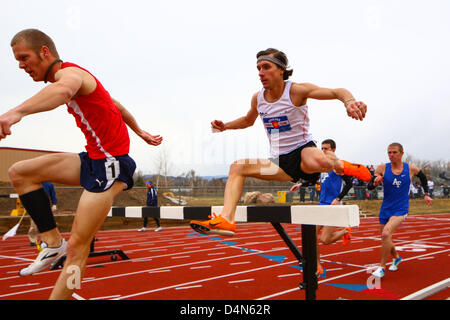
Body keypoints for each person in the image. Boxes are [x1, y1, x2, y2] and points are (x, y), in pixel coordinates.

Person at [0, 29, 162, 299]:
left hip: (111, 166)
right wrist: (140, 131)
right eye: (17, 60)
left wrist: (16, 112)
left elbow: (62, 91)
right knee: (20, 173)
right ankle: (52, 243)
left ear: (44, 52)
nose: (21, 65)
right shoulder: (82, 81)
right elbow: (116, 106)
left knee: (78, 248)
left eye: (24, 57)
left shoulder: (70, 75)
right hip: (93, 159)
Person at [190, 48, 372, 236]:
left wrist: (349, 101)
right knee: (237, 167)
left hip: (303, 150)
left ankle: (345, 166)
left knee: (320, 162)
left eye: (266, 67)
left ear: (281, 70)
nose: (260, 73)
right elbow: (247, 120)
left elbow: (336, 91)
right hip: (279, 162)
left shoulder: (296, 91)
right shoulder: (258, 98)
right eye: (258, 68)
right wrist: (225, 126)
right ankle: (226, 220)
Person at [367, 142, 432, 278]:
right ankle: (396, 257)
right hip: (386, 207)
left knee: (385, 234)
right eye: (389, 152)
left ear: (401, 153)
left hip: (401, 208)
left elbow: (423, 178)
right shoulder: (382, 168)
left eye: (394, 152)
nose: (391, 155)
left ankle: (382, 267)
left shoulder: (411, 168)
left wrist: (426, 193)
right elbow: (369, 187)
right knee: (385, 238)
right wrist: (375, 182)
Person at [290, 139, 353, 277]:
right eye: (322, 148)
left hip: (333, 207)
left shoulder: (338, 165)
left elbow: (349, 183)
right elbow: (313, 180)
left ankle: (344, 231)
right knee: (311, 235)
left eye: (326, 148)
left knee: (325, 240)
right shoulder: (323, 166)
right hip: (322, 205)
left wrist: (338, 199)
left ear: (333, 150)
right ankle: (317, 265)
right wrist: (301, 184)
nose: (323, 151)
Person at [28, 182, 58, 246]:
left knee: (45, 225)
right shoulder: (33, 183)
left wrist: (54, 204)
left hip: (46, 206)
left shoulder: (49, 184)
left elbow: (53, 194)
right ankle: (33, 241)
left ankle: (44, 240)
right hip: (34, 207)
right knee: (33, 225)